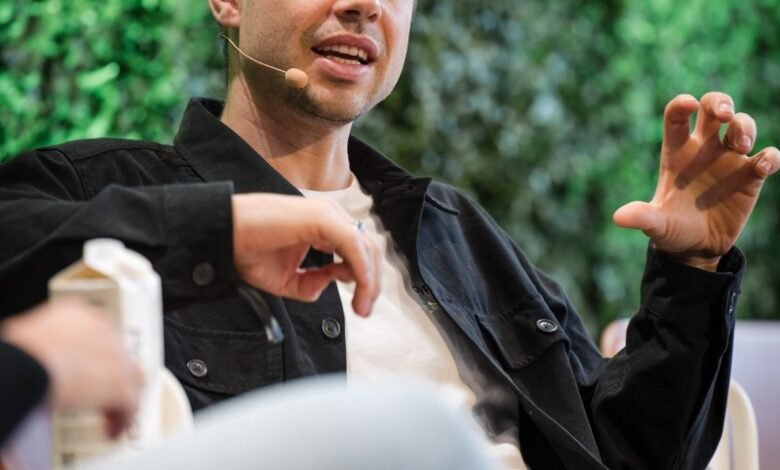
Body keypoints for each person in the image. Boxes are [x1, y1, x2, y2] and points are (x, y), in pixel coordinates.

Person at [1, 0, 778, 468]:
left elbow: (633, 457)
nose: (364, 3)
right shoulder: (104, 188)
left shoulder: (453, 231)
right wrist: (218, 227)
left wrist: (689, 267)